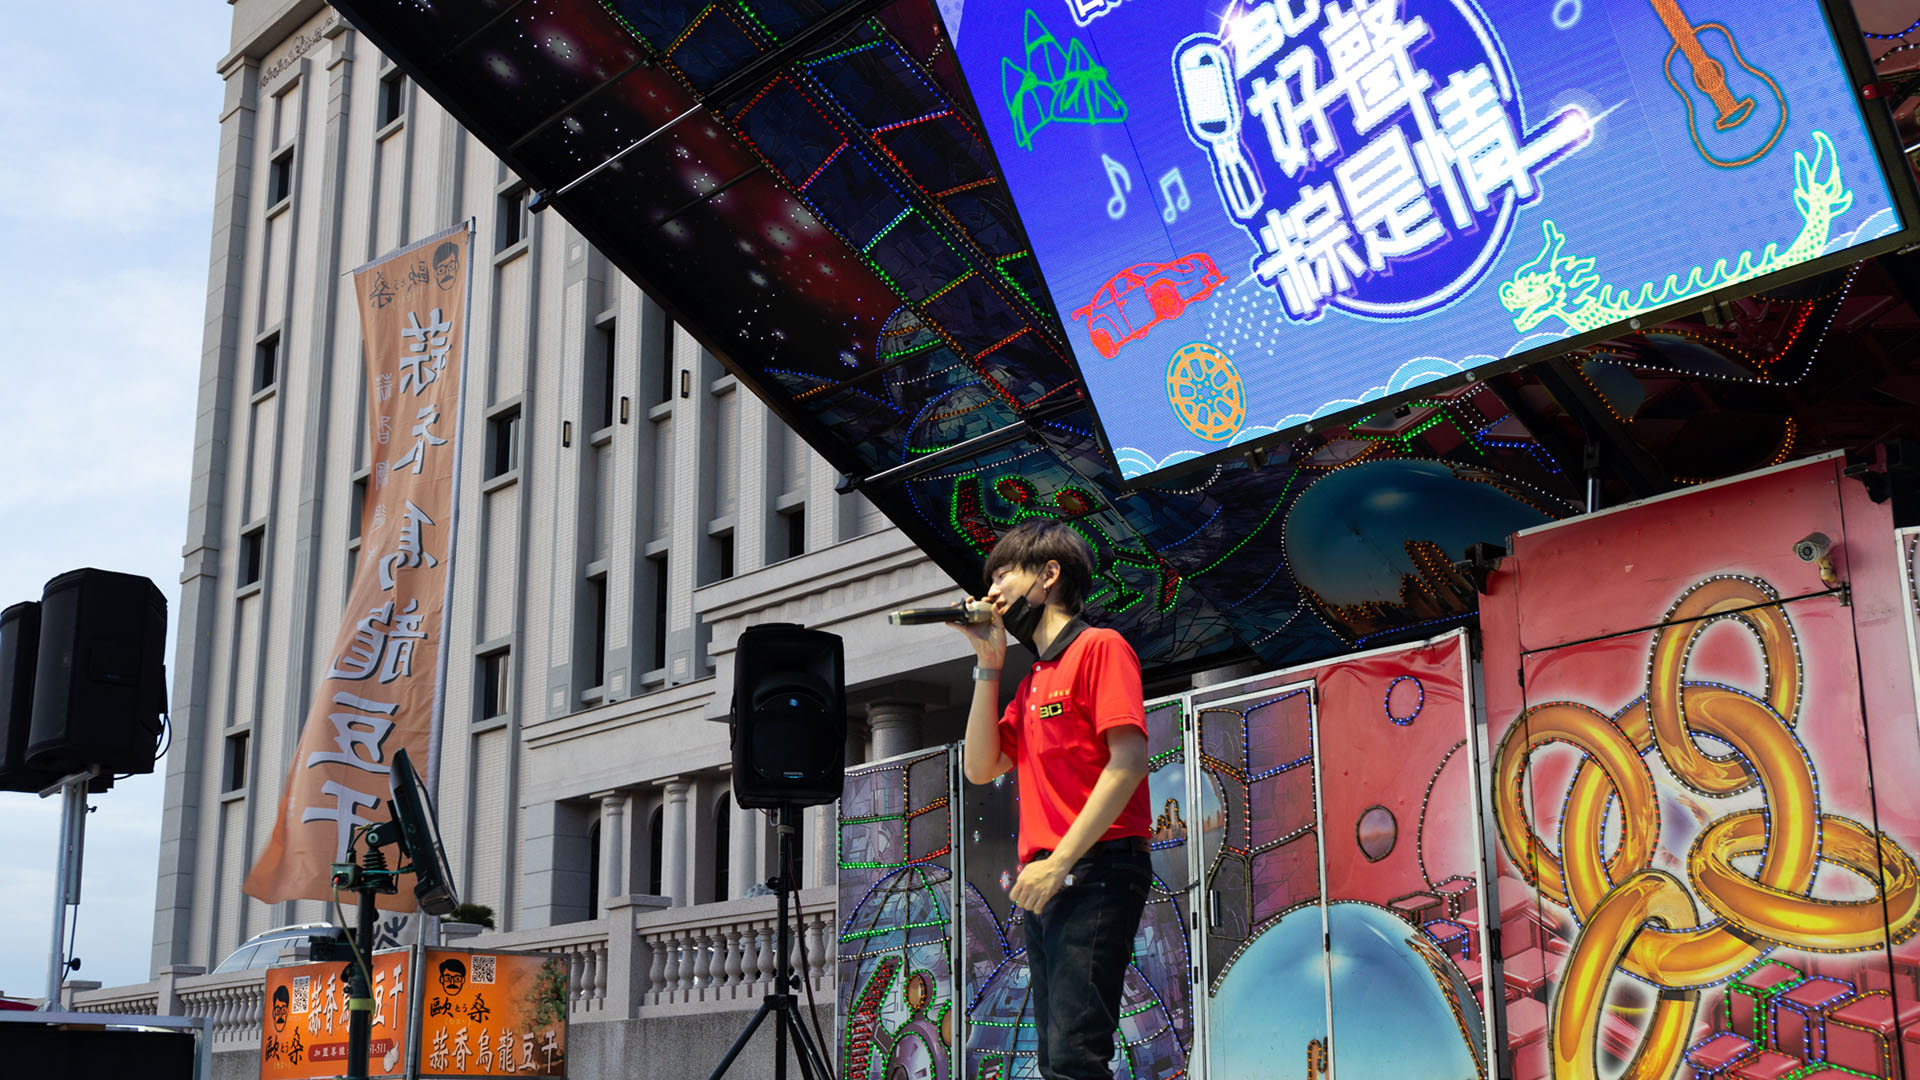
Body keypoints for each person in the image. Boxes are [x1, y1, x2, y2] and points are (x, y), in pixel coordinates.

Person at [957, 519, 1151, 1080]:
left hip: (1096, 867)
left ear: (1048, 574)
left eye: (1003, 575)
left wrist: (1060, 862)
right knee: (1056, 1058)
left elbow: (1128, 761)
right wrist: (988, 664)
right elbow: (979, 767)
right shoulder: (1032, 681)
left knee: (1074, 1056)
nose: (992, 591)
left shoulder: (1099, 647)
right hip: (1049, 875)